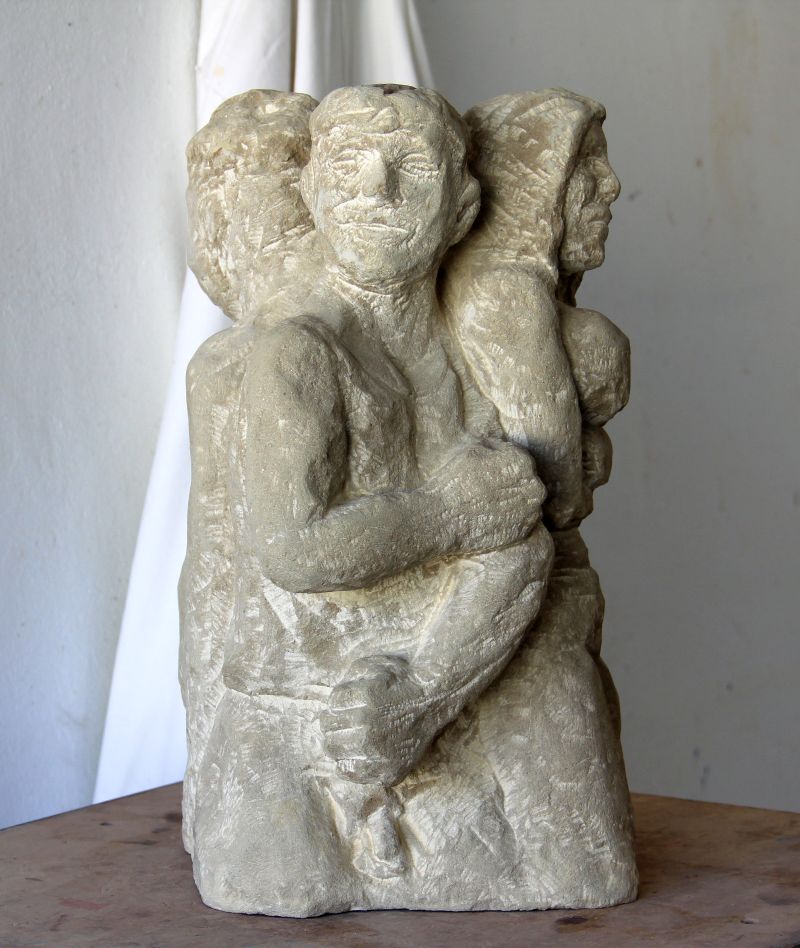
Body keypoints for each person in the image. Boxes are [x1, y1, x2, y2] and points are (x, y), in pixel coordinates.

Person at [188, 86, 553, 916]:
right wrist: (452, 516)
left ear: (463, 207)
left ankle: (409, 716)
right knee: (276, 885)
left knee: (574, 869)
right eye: (349, 163)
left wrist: (422, 694)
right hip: (297, 701)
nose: (376, 188)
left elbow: (525, 531)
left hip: (432, 690)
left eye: (410, 165)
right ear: (314, 194)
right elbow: (291, 548)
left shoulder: (472, 354)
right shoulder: (300, 351)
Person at [438, 89, 638, 905]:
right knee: (587, 856)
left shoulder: (527, 295)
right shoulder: (505, 294)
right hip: (523, 611)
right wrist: (587, 456)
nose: (611, 186)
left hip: (544, 592)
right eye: (585, 169)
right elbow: (553, 486)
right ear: (536, 187)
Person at [179, 89, 319, 853]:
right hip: (268, 683)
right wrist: (208, 756)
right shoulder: (227, 365)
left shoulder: (272, 357)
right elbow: (213, 567)